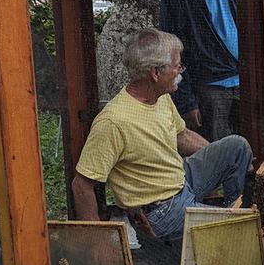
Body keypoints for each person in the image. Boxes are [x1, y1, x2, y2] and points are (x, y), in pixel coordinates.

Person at [72, 29, 253, 240]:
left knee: (236, 147)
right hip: (162, 211)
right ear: (156, 73)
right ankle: (231, 225)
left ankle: (233, 210)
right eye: (177, 67)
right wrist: (96, 242)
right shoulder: (113, 121)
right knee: (242, 229)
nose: (180, 72)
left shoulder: (160, 97)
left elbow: (182, 136)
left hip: (180, 179)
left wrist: (221, 163)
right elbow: (81, 185)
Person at [159, 0, 241, 142]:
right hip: (210, 88)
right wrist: (186, 101)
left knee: (257, 154)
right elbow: (171, 47)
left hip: (248, 77)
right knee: (218, 155)